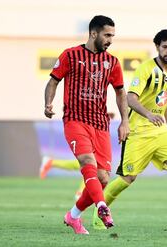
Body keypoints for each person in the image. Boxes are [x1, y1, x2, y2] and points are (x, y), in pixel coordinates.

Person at [92, 29, 167, 230]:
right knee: (127, 179)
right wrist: (148, 114)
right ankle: (98, 213)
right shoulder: (146, 69)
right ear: (157, 47)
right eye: (165, 46)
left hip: (161, 131)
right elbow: (130, 98)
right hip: (138, 132)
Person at [44, 15, 130, 235]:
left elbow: (120, 92)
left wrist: (124, 122)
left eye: (113, 35)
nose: (110, 40)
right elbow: (53, 80)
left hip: (100, 123)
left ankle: (72, 216)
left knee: (102, 179)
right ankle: (103, 206)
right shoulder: (70, 55)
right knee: (86, 161)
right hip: (75, 120)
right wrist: (48, 103)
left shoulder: (112, 62)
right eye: (107, 35)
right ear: (94, 33)